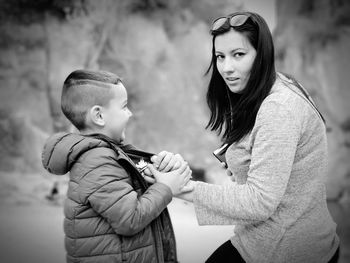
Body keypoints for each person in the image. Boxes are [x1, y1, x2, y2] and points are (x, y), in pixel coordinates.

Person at [150, 11, 340, 263]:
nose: (227, 68)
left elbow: (259, 202)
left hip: (286, 249)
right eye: (220, 57)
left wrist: (181, 188)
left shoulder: (279, 109)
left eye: (238, 55)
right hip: (287, 237)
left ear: (261, 54)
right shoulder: (279, 84)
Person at [41, 69, 192, 263]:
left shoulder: (106, 154)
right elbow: (129, 219)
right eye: (124, 106)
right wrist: (165, 188)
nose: (130, 113)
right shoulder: (96, 161)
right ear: (99, 116)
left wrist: (161, 170)